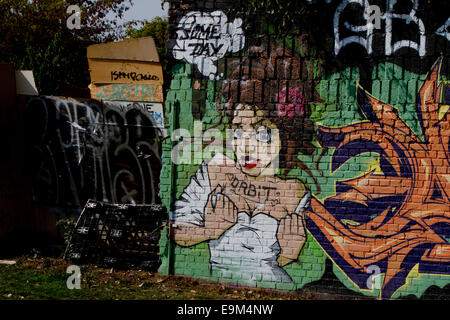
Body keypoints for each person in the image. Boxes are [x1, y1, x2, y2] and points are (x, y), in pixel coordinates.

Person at [170, 45, 316, 286]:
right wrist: (209, 231)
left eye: (261, 133)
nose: (245, 147)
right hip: (217, 288)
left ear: (285, 137)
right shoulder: (217, 170)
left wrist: (289, 252)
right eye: (238, 132)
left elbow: (281, 260)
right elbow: (175, 230)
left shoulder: (293, 191)